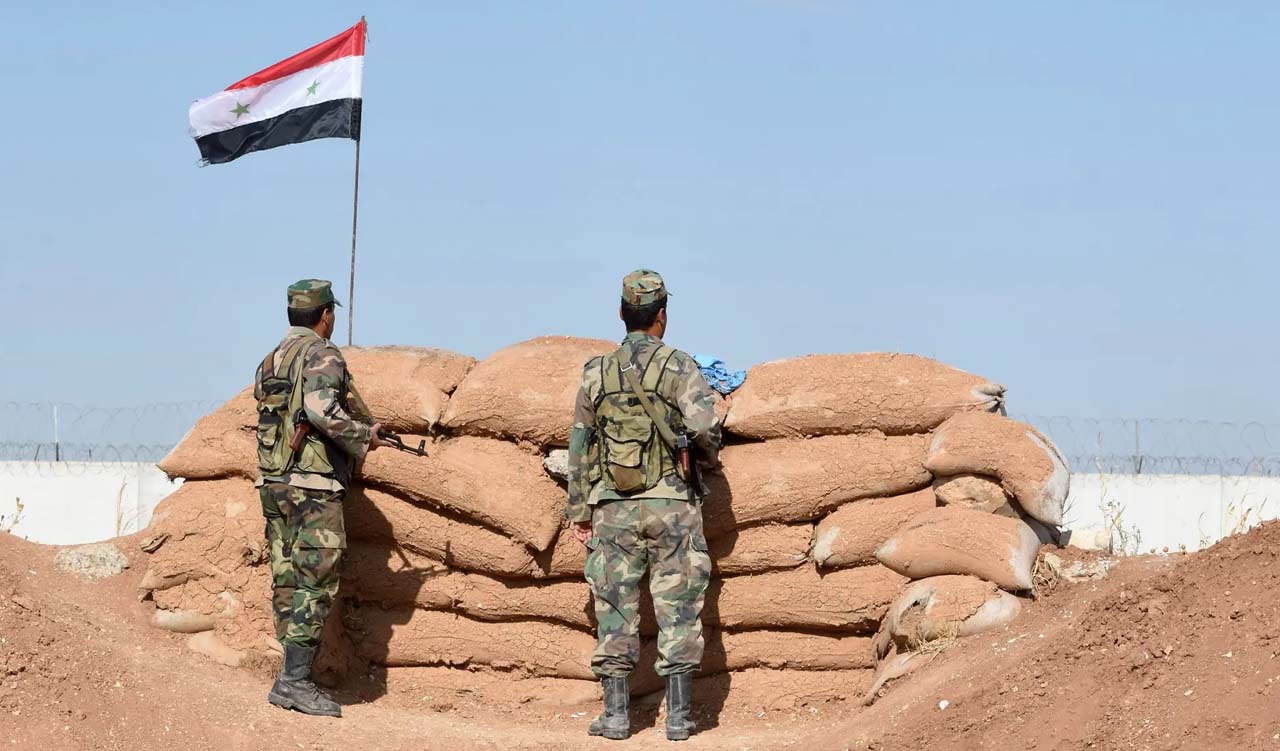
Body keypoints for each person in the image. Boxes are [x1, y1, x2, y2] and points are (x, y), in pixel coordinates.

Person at [564, 269, 722, 741]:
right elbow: (703, 428)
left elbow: (579, 447)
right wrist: (706, 457)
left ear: (621, 313)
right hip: (672, 505)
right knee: (679, 607)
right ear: (662, 316)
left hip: (612, 506)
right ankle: (677, 719)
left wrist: (579, 511)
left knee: (614, 606)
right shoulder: (680, 365)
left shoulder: (597, 371)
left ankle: (615, 716)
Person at [253, 279, 384, 718]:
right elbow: (320, 410)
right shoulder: (322, 353)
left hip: (275, 483)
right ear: (325, 314)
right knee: (317, 580)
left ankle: (288, 677)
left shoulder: (271, 358)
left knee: (287, 577)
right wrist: (364, 436)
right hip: (311, 484)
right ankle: (293, 681)